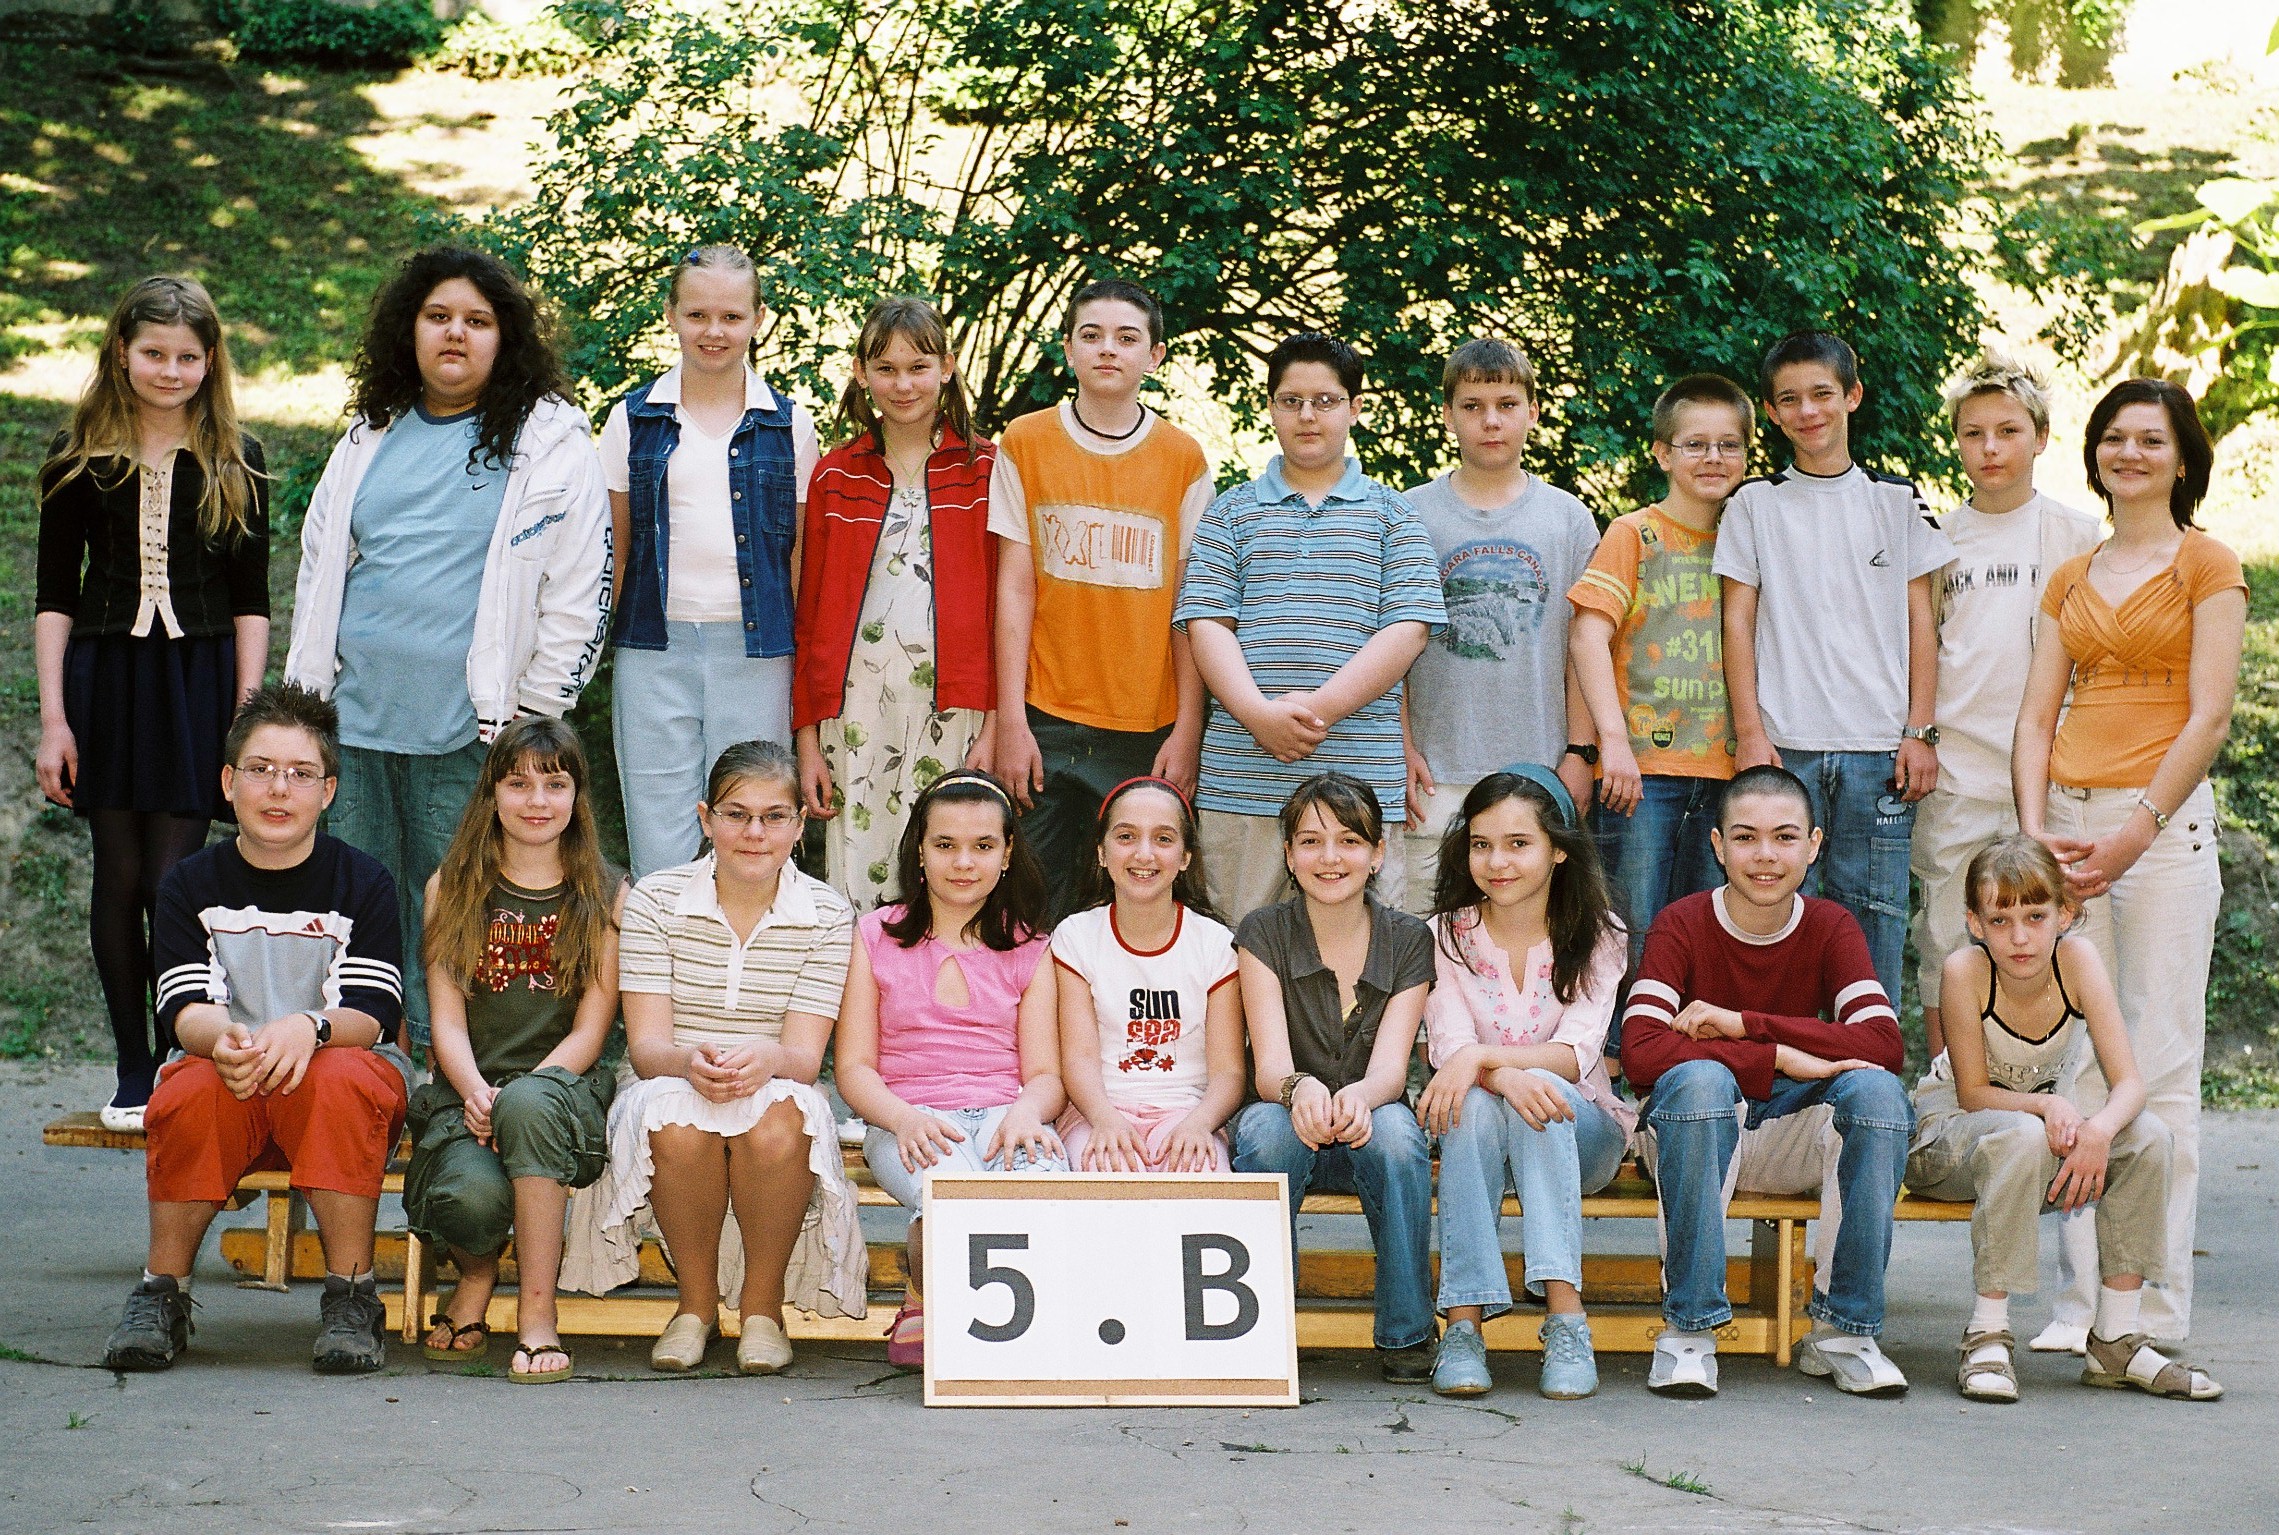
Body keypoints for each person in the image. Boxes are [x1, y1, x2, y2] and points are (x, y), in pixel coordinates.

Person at [285, 245, 611, 1051]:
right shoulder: (370, 434)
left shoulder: (549, 441)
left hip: (474, 731)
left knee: (458, 913)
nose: (455, 333)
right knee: (357, 909)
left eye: (477, 320)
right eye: (438, 317)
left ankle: (447, 1076)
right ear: (411, 329)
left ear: (507, 336)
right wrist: (304, 706)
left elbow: (579, 587)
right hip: (355, 725)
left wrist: (532, 717)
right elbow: (319, 568)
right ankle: (367, 1071)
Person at [2014, 377, 2244, 1348]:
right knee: (2077, 1061)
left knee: (2158, 1066)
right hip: (2063, 831)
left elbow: (2208, 715)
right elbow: (2034, 717)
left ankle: (2150, 1306)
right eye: (2113, 437)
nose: (2128, 453)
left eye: (2150, 439)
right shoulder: (2069, 575)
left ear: (2182, 458)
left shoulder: (2207, 563)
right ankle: (2081, 1305)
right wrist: (2034, 833)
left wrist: (2133, 830)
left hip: (2159, 834)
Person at [103, 684, 407, 1375]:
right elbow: (183, 1006)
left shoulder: (364, 882)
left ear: (328, 791)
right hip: (232, 1072)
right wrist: (226, 1040)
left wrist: (308, 1028)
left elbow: (371, 1012)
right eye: (260, 768)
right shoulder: (189, 883)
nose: (278, 788)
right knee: (188, 1086)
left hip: (334, 1066)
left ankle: (352, 1296)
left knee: (340, 1077)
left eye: (300, 773)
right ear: (228, 782)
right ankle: (162, 1291)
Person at [36, 275, 270, 1131]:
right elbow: (54, 596)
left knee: (174, 877)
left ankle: (179, 1050)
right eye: (153, 353)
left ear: (210, 362)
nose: (170, 371)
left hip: (198, 680)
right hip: (106, 676)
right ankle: (132, 1065)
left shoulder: (237, 457)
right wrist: (54, 719)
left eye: (187, 357)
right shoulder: (79, 456)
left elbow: (251, 602)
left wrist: (246, 717)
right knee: (120, 872)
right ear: (122, 353)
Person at [1620, 764, 1912, 1398]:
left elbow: (1883, 1045)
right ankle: (1688, 1330)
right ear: (1718, 846)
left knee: (1877, 1096)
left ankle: (1843, 1333)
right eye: (1745, 837)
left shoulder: (1831, 925)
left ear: (1814, 845)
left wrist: (1745, 1026)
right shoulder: (1681, 922)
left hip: (1786, 1137)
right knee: (1699, 1084)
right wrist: (1774, 1057)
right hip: (1690, 1134)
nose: (1765, 856)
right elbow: (1640, 1051)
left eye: (1785, 837)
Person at [1905, 836, 2219, 1402]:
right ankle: (1986, 1333)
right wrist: (2049, 1104)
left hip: (2028, 1137)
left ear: (2065, 915)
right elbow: (1973, 1094)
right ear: (1975, 924)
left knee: (2147, 1136)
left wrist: (2099, 1131)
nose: (2020, 937)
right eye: (2000, 920)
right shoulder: (1964, 970)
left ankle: (2115, 1338)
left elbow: (2130, 1085)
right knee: (2023, 1134)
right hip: (1944, 1143)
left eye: (2035, 916)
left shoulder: (2077, 961)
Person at [594, 740, 864, 1375]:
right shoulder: (655, 900)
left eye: (774, 816)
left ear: (800, 824)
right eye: (736, 814)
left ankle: (763, 1311)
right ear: (705, 817)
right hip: (670, 1072)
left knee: (781, 1120)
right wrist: (691, 1060)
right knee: (676, 1121)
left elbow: (804, 1057)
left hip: (777, 1076)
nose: (754, 833)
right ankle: (695, 1307)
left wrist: (766, 1057)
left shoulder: (827, 914)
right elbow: (647, 1048)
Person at [1715, 332, 1953, 1006]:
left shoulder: (1896, 500)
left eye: (1821, 393)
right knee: (1772, 914)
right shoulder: (1753, 505)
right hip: (1783, 744)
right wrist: (1750, 733)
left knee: (1873, 915)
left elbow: (1923, 622)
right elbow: (1737, 622)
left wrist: (1920, 731)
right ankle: (1779, 1058)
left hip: (1877, 750)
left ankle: (1868, 1055)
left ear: (1852, 395)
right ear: (1771, 411)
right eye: (1789, 399)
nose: (1808, 411)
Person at [1174, 333, 1446, 923]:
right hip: (1244, 780)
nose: (1307, 415)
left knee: (1363, 955)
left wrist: (1315, 711)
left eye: (1325, 401)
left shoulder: (1395, 515)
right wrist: (1258, 715)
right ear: (1271, 407)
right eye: (1291, 400)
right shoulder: (1229, 512)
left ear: (1355, 408)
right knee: (1241, 944)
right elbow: (1206, 623)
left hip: (1359, 786)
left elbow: (1408, 632)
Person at [403, 716, 624, 1384]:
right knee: (466, 1198)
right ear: (491, 792)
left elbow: (590, 1031)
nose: (536, 800)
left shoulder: (608, 893)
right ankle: (476, 1273)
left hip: (563, 1091)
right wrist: (478, 1093)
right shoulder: (451, 887)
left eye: (554, 784)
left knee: (529, 1103)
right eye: (518, 783)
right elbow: (445, 1021)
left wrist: (516, 1101)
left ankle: (537, 1317)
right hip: (468, 1089)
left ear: (577, 796)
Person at [991, 279, 1215, 922]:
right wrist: (1011, 721)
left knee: (1133, 903)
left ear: (1156, 355)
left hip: (1146, 724)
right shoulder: (1026, 442)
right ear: (1068, 349)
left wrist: (1188, 729)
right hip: (1045, 717)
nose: (1108, 349)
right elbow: (1014, 588)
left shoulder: (1182, 458)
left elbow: (1191, 608)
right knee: (1030, 904)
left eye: (1127, 337)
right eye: (1091, 335)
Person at [600, 246, 823, 877]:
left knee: (754, 826)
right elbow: (614, 551)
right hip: (654, 647)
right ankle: (661, 942)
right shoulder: (631, 420)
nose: (714, 331)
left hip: (758, 653)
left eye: (731, 316)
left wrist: (804, 660)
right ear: (671, 314)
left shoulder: (789, 425)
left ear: (758, 319)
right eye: (697, 314)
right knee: (659, 832)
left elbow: (800, 557)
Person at [832, 770, 1066, 1367]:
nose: (964, 862)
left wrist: (1026, 1114)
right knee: (946, 1199)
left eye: (983, 846)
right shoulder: (874, 937)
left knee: (1040, 1194)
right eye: (945, 845)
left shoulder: (1031, 948)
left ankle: (1027, 1332)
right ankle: (925, 1292)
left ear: (1007, 854)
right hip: (910, 1117)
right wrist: (902, 1119)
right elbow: (854, 1067)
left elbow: (1046, 1074)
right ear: (919, 850)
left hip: (1007, 1114)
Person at [1417, 766, 1632, 1400]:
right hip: (1478, 1131)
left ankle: (1566, 1319)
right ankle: (1463, 1326)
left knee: (1537, 1094)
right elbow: (1448, 1050)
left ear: (1558, 850)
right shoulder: (1445, 935)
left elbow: (1575, 1054)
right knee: (1474, 1104)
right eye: (1481, 844)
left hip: (1582, 1133)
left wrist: (1493, 1065)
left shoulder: (1599, 933)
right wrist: (1494, 1074)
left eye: (1518, 844)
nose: (1497, 862)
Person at [1909, 352, 2099, 1056]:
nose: (1990, 448)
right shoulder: (1937, 540)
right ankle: (1946, 1090)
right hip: (1958, 773)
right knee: (1945, 935)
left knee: (2052, 937)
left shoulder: (2078, 535)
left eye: (2008, 431)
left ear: (2041, 437)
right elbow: (1922, 649)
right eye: (1973, 433)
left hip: (2055, 776)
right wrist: (1921, 735)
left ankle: (2048, 1087)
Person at [793, 297, 1006, 910]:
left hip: (957, 709)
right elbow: (809, 615)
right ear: (861, 373)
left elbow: (1008, 609)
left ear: (947, 367)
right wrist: (807, 741)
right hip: (855, 710)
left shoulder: (988, 470)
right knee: (859, 875)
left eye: (918, 367)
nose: (903, 384)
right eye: (885, 369)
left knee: (953, 865)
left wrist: (996, 727)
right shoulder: (836, 475)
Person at [1230, 772, 1437, 1381]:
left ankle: (1407, 1332)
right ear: (1289, 854)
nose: (1330, 858)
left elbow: (1392, 1072)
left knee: (1398, 1137)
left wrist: (1359, 1098)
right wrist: (1301, 1090)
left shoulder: (1408, 939)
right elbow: (1269, 1066)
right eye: (1310, 841)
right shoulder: (1262, 932)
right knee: (1268, 1134)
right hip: (1286, 1114)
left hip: (1370, 1115)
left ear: (1377, 854)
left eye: (1350, 841)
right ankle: (1262, 1330)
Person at [1400, 340, 1600, 912]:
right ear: (1448, 414)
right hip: (1434, 775)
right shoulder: (1409, 514)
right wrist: (1402, 747)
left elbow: (1583, 648)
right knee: (1421, 932)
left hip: (1538, 769)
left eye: (1507, 405)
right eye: (1473, 406)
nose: (1491, 421)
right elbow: (1388, 646)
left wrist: (1579, 754)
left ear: (1533, 412)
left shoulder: (1568, 518)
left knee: (1531, 933)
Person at [1569, 374, 1753, 962]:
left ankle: (1688, 1027)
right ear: (1662, 453)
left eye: (1729, 445)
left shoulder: (1748, 540)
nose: (1713, 457)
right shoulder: (1634, 533)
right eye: (1695, 444)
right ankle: (1626, 1027)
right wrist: (1611, 744)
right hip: (1640, 776)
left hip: (1725, 769)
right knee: (1633, 930)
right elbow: (1587, 636)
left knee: (1706, 935)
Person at [1052, 776, 1244, 1172]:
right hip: (1097, 1110)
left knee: (1201, 1175)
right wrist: (1105, 1119)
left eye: (1163, 839)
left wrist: (1200, 1124)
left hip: (1189, 1112)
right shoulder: (1076, 936)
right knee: (1107, 1173)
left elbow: (1228, 1071)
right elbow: (1079, 1057)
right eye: (1126, 837)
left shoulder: (1214, 943)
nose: (1144, 854)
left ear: (1186, 857)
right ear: (1101, 852)